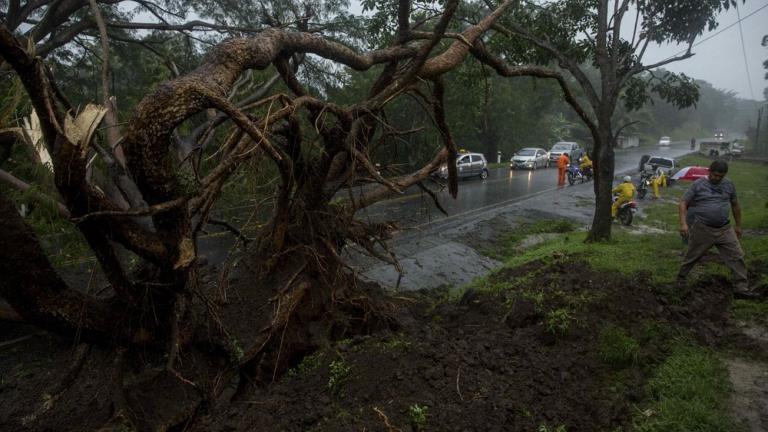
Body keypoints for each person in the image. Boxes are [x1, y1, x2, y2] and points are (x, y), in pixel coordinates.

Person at [677, 160, 755, 298]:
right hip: (703, 228)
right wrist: (683, 224)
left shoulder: (729, 184)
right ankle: (680, 280)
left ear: (724, 175)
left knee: (737, 256)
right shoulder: (698, 184)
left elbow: (735, 205)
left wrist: (738, 226)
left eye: (720, 176)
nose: (717, 178)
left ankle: (741, 287)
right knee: (692, 256)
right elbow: (683, 202)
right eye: (714, 175)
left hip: (725, 229)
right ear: (709, 172)